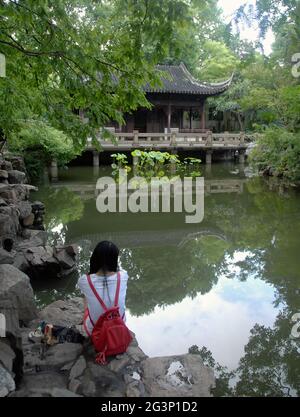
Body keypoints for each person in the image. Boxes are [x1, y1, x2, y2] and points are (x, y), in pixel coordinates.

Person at [77, 241, 128, 337]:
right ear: (114, 259)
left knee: (86, 297)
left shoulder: (84, 281)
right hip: (119, 326)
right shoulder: (123, 276)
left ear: (95, 258)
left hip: (96, 332)